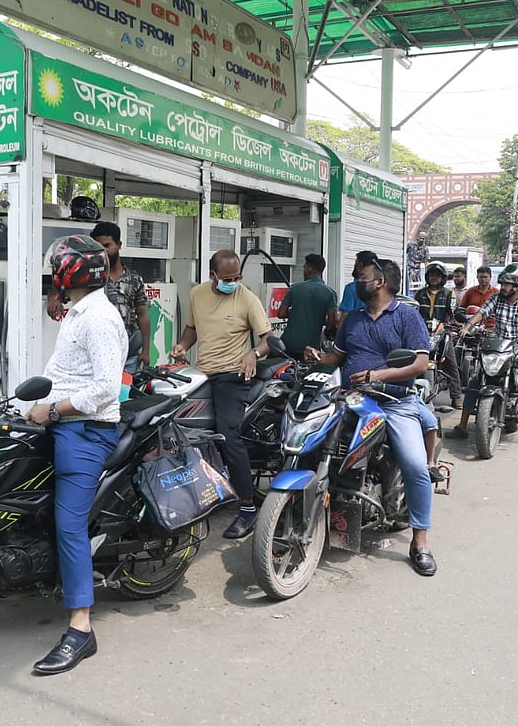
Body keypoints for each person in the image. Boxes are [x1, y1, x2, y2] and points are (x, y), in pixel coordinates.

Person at [25, 236, 127, 675]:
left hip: (86, 430)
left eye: (57, 266)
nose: (53, 271)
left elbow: (105, 387)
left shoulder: (99, 318)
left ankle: (81, 629)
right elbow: (61, 370)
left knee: (70, 524)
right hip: (59, 420)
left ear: (70, 271)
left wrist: (52, 410)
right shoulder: (76, 310)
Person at [305, 252, 439, 576]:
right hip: (350, 399)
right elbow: (336, 357)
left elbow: (420, 364)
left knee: (416, 466)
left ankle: (420, 541)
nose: (357, 281)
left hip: (395, 403)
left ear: (379, 281)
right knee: (311, 446)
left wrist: (378, 376)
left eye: (362, 276)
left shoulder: (407, 317)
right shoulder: (352, 318)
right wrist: (316, 358)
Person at [170, 249, 272, 540]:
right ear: (212, 275)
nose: (233, 282)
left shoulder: (247, 298)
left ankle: (248, 507)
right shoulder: (198, 294)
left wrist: (253, 353)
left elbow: (267, 340)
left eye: (237, 276)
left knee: (228, 434)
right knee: (183, 430)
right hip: (201, 373)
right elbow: (192, 330)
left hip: (232, 375)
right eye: (227, 278)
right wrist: (181, 346)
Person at [448, 263, 518, 452]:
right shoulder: (497, 298)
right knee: (475, 382)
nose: (503, 287)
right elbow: (482, 313)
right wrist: (467, 328)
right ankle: (463, 426)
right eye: (503, 283)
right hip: (498, 346)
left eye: (507, 284)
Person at [49, 222, 150, 371]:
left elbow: (142, 315)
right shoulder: (89, 277)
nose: (103, 252)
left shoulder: (134, 279)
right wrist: (53, 298)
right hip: (96, 354)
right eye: (98, 247)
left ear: (119, 245)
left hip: (129, 355)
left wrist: (146, 351)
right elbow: (60, 285)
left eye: (107, 246)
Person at [414, 261, 463, 409]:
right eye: (432, 275)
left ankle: (456, 396)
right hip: (421, 331)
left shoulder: (450, 294)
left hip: (442, 331)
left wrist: (458, 321)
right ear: (427, 277)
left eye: (437, 275)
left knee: (451, 364)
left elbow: (454, 312)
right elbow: (413, 311)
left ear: (443, 278)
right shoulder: (420, 293)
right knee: (410, 359)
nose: (434, 278)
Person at [278, 253, 337, 357]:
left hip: (287, 345)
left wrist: (295, 312)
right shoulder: (330, 293)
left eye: (304, 267)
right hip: (311, 350)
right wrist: (318, 317)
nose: (304, 270)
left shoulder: (295, 288)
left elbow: (281, 313)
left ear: (309, 268)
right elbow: (331, 323)